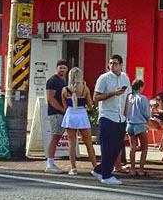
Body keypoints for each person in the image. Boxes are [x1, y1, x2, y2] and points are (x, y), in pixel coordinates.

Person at [92, 54, 131, 185]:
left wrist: (126, 116)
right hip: (107, 116)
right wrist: (113, 93)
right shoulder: (104, 79)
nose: (112, 65)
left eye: (115, 63)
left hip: (120, 117)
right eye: (110, 63)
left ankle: (99, 170)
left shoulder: (125, 78)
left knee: (117, 148)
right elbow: (96, 97)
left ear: (121, 65)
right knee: (107, 147)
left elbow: (127, 98)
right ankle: (106, 175)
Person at [61, 67, 97, 176]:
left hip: (70, 114)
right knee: (88, 143)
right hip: (81, 114)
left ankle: (73, 168)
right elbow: (90, 104)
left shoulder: (65, 90)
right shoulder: (85, 88)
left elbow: (64, 106)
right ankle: (95, 167)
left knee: (72, 143)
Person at [44, 60, 68, 173]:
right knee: (55, 137)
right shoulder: (52, 81)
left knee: (57, 137)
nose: (62, 70)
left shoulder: (62, 82)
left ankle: (51, 162)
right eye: (60, 68)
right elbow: (50, 98)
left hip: (61, 113)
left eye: (64, 68)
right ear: (56, 68)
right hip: (55, 113)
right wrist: (62, 109)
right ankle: (50, 163)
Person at [126, 79, 151, 175]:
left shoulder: (129, 97)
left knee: (133, 147)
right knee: (144, 147)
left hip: (130, 124)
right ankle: (140, 169)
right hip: (140, 124)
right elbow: (146, 113)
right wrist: (147, 121)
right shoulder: (143, 98)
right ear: (140, 87)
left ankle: (132, 168)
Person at [149, 91, 163, 162]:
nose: (157, 101)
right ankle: (139, 145)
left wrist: (157, 110)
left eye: (158, 99)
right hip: (152, 120)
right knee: (142, 124)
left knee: (143, 123)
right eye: (156, 99)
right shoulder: (155, 106)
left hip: (158, 122)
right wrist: (152, 110)